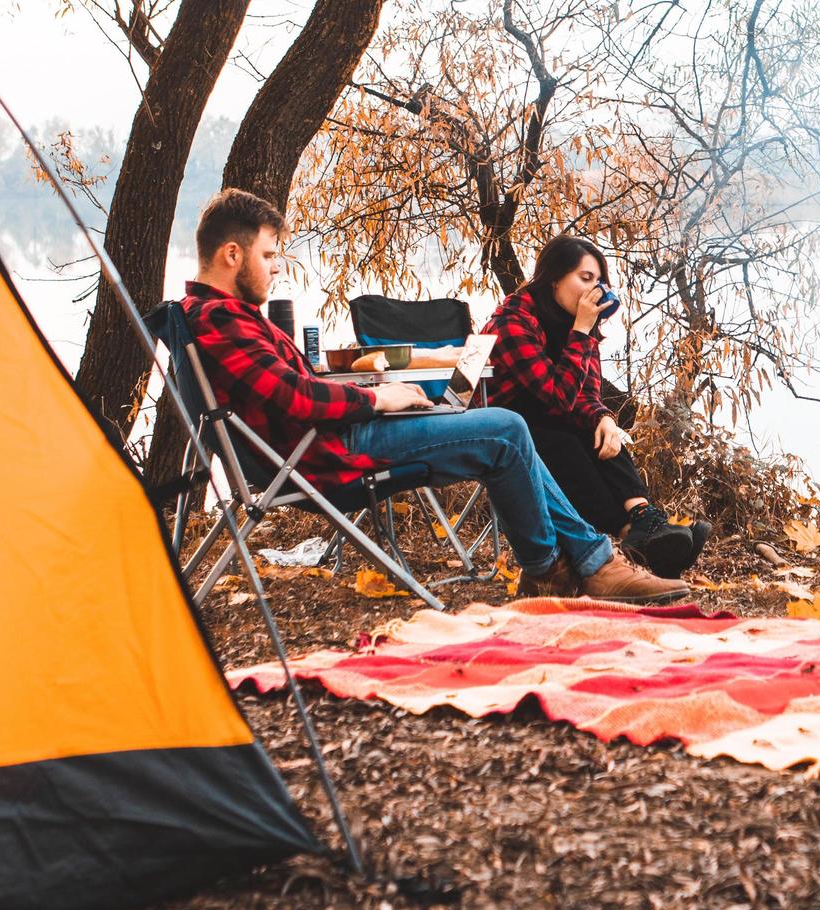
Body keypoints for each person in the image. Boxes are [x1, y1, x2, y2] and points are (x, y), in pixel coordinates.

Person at [180, 188, 689, 604]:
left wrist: (384, 391)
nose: (275, 268)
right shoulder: (220, 319)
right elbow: (297, 398)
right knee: (507, 428)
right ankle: (578, 568)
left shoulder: (215, 318)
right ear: (232, 254)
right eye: (268, 255)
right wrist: (382, 399)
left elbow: (293, 393)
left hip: (324, 442)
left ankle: (562, 569)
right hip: (330, 451)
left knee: (504, 433)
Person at [483, 236, 712, 578]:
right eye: (585, 278)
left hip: (548, 418)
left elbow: (585, 396)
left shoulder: (576, 324)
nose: (594, 289)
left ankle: (644, 518)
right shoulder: (513, 322)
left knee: (598, 429)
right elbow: (557, 397)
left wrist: (604, 418)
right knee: (562, 438)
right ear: (554, 278)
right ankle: (634, 534)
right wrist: (581, 330)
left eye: (599, 281)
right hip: (504, 431)